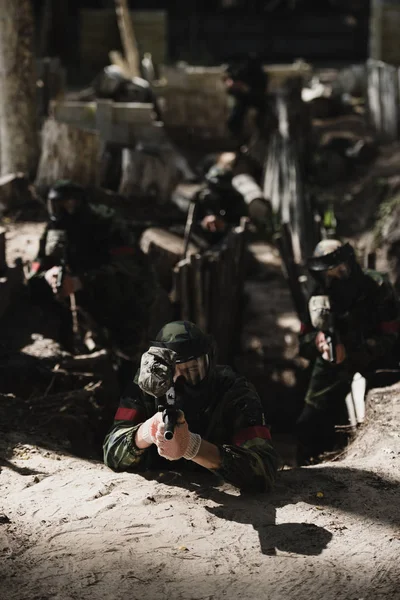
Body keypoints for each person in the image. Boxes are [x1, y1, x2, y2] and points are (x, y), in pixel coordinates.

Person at [103, 320, 278, 492]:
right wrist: (147, 432)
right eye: (172, 371)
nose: (181, 381)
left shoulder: (234, 392)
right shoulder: (145, 387)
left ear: (209, 363)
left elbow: (264, 470)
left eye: (193, 370)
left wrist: (193, 448)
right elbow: (111, 451)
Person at [28, 180, 165, 369]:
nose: (61, 212)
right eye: (56, 206)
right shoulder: (53, 230)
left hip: (120, 299)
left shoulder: (106, 224)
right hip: (79, 298)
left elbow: (128, 269)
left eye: (67, 205)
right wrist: (47, 275)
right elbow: (35, 271)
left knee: (128, 354)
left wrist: (81, 281)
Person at [296, 239, 400, 465]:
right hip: (333, 361)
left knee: (379, 420)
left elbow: (392, 335)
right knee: (309, 423)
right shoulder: (318, 297)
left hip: (378, 360)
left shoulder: (377, 286)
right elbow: (302, 343)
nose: (335, 276)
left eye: (339, 269)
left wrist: (354, 350)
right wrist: (319, 341)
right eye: (329, 272)